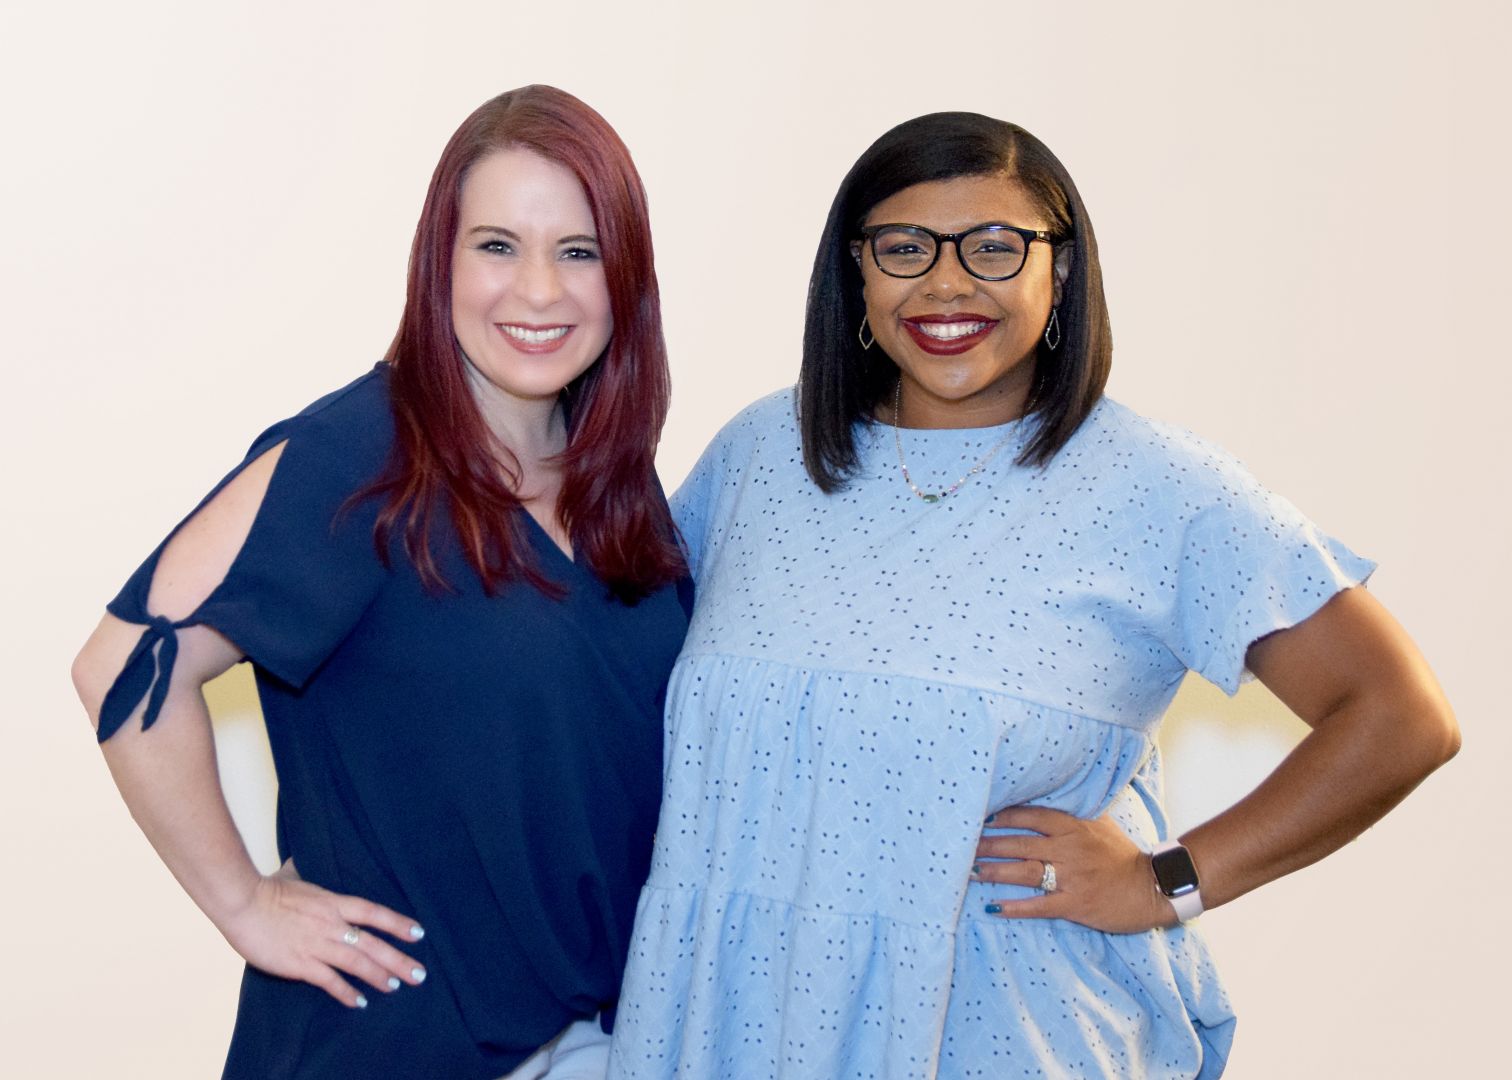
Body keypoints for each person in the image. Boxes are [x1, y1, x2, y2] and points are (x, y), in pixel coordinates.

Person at [607, 112, 1459, 1079]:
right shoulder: (765, 453)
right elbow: (612, 695)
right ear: (856, 273)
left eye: (994, 247)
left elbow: (1401, 717)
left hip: (1008, 1035)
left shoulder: (1156, 487)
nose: (946, 283)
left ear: (1062, 271)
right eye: (904, 247)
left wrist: (1166, 881)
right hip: (733, 1025)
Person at [71, 85, 689, 1080]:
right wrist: (244, 903)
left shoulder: (616, 476)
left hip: (599, 1038)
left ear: (626, 277)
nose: (539, 290)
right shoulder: (361, 455)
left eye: (579, 251)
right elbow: (121, 666)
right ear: (439, 262)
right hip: (394, 1046)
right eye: (497, 245)